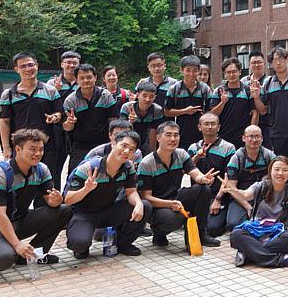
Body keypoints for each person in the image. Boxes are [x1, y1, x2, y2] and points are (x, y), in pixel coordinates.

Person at [0, 129, 72, 271]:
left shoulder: (41, 170)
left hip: (18, 220)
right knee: (4, 258)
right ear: (18, 149)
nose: (38, 153)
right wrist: (17, 244)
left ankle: (34, 254)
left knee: (63, 211)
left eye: (41, 149)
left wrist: (56, 200)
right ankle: (0, 248)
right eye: (33, 149)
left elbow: (50, 201)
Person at [64, 130, 151, 258]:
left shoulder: (128, 168)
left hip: (109, 211)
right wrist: (86, 189)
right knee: (79, 243)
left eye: (132, 149)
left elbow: (131, 191)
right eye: (124, 146)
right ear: (113, 144)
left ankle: (123, 244)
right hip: (85, 214)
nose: (126, 151)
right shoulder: (89, 167)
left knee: (144, 206)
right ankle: (82, 246)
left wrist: (138, 203)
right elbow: (68, 200)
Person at [137, 122, 220, 249]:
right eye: (168, 135)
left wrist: (202, 178)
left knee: (203, 189)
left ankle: (200, 235)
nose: (173, 139)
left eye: (176, 135)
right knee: (176, 218)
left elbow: (194, 173)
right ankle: (159, 233)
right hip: (157, 205)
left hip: (176, 197)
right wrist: (170, 204)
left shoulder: (181, 154)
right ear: (158, 137)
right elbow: (146, 197)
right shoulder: (147, 163)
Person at [219, 157, 288, 268]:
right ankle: (283, 260)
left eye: (285, 170)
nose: (280, 173)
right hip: (255, 230)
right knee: (236, 235)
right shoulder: (261, 186)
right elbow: (245, 195)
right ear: (270, 171)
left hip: (276, 234)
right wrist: (233, 191)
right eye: (277, 169)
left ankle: (248, 253)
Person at [0, 52, 62, 190]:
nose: (28, 69)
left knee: (47, 185)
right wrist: (6, 147)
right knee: (18, 185)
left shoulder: (50, 91)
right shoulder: (9, 94)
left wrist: (55, 117)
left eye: (31, 65)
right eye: (23, 66)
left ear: (37, 66)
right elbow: (4, 122)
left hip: (47, 147)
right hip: (21, 147)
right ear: (16, 69)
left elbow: (59, 113)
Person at [210, 125, 277, 236]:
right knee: (234, 224)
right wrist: (249, 208)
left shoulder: (269, 155)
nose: (254, 140)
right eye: (251, 136)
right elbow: (232, 189)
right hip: (240, 197)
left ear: (262, 138)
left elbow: (279, 175)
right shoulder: (236, 158)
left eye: (257, 136)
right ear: (244, 138)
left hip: (263, 196)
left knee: (270, 221)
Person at [62, 64, 118, 173]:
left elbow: (113, 121)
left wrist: (114, 141)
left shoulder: (105, 95)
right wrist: (70, 122)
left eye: (89, 77)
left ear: (95, 78)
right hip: (80, 146)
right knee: (76, 175)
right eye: (82, 78)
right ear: (76, 80)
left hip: (104, 143)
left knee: (106, 174)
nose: (86, 80)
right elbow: (67, 128)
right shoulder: (70, 100)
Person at [188, 113, 237, 232]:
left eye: (213, 124)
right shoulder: (193, 147)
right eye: (206, 124)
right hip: (198, 194)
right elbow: (186, 170)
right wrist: (197, 157)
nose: (210, 127)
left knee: (213, 229)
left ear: (218, 127)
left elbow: (229, 177)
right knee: (190, 224)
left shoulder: (228, 148)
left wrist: (218, 199)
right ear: (199, 127)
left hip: (217, 195)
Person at [47, 51, 81, 184]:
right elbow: (46, 105)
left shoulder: (82, 81)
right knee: (55, 165)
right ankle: (54, 193)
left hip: (78, 128)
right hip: (57, 128)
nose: (71, 65)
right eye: (68, 62)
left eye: (75, 63)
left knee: (76, 165)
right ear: (62, 64)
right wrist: (55, 90)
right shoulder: (52, 83)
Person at [208, 58, 257, 149]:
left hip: (243, 137)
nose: (231, 75)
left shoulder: (248, 90)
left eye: (234, 71)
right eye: (228, 72)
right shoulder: (219, 91)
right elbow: (212, 115)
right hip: (223, 136)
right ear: (224, 74)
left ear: (240, 72)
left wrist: (251, 132)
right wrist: (222, 103)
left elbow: (255, 112)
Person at [164, 55, 210, 150]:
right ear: (181, 70)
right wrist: (185, 111)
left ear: (198, 71)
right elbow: (167, 112)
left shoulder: (205, 89)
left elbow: (210, 111)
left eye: (195, 70)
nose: (191, 74)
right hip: (181, 134)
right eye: (188, 70)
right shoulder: (174, 89)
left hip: (201, 135)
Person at [254, 47, 288, 156]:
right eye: (275, 60)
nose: (278, 63)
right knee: (279, 162)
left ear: (287, 59)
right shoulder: (268, 83)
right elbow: (263, 111)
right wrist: (256, 97)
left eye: (281, 59)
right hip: (277, 133)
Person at [120, 81, 164, 155]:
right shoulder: (127, 107)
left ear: (155, 97)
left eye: (151, 96)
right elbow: (121, 131)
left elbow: (153, 131)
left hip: (146, 140)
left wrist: (152, 153)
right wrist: (130, 122)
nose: (147, 99)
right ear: (137, 95)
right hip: (128, 140)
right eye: (144, 95)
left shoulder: (157, 110)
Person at [242, 50, 271, 149]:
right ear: (249, 65)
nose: (256, 65)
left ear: (264, 64)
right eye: (253, 62)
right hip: (246, 124)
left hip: (266, 124)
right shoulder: (243, 82)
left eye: (259, 62)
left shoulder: (269, 81)